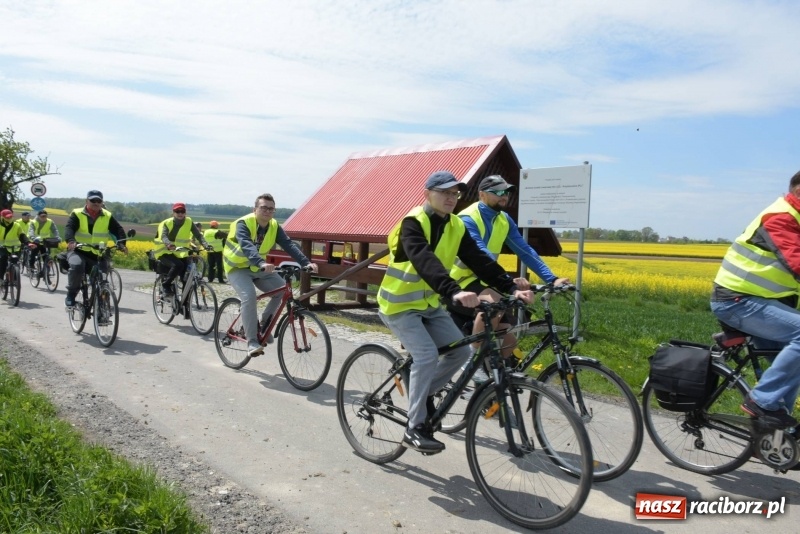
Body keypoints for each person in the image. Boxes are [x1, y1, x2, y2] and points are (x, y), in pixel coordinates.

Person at [377, 170, 533, 454]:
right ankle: (414, 428)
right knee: (426, 356)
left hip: (428, 305)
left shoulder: (455, 226)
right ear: (427, 194)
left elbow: (479, 261)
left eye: (455, 193)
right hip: (399, 305)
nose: (451, 198)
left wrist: (510, 287)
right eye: (444, 192)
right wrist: (453, 290)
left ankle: (420, 393)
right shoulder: (413, 222)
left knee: (460, 351)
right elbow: (423, 258)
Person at [711, 170, 800, 430]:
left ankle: (777, 437)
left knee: (791, 368)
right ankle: (761, 402)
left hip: (762, 305)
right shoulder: (781, 218)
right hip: (736, 301)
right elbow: (796, 261)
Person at [450, 175, 570, 365]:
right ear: (482, 194)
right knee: (494, 303)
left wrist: (551, 278)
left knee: (509, 342)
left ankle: (494, 384)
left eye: (506, 192)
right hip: (460, 280)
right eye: (497, 192)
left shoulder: (503, 219)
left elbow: (525, 250)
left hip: (487, 280)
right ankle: (470, 361)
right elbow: (481, 256)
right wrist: (508, 281)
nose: (504, 196)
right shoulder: (467, 218)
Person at [223, 194, 318, 357]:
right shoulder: (243, 223)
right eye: (263, 207)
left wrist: (305, 262)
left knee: (281, 290)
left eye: (271, 208)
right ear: (255, 209)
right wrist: (260, 262)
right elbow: (246, 245)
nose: (267, 211)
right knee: (249, 296)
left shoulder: (274, 226)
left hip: (258, 268)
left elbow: (288, 244)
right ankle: (252, 342)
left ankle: (264, 325)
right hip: (237, 267)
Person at [64, 190, 128, 308]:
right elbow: (69, 228)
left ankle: (103, 308)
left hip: (99, 254)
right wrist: (71, 240)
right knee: (77, 267)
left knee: (102, 279)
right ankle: (71, 294)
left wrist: (121, 244)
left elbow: (118, 230)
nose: (96, 203)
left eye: (99, 201)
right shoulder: (77, 213)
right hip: (78, 251)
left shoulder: (107, 215)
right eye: (93, 200)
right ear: (86, 201)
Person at [153, 203, 210, 296]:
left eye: (182, 211)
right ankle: (166, 285)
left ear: (185, 212)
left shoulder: (189, 221)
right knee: (178, 265)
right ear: (173, 212)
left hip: (180, 253)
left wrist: (206, 244)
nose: (180, 213)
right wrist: (168, 244)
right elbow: (164, 236)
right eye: (177, 211)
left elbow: (198, 235)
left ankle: (185, 307)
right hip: (165, 252)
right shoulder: (167, 223)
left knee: (187, 279)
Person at [1, 208, 30, 288]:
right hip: (2, 247)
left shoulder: (16, 225)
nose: (9, 218)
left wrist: (28, 243)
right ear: (2, 217)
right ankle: (1, 279)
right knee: (3, 261)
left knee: (15, 262)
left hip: (15, 247)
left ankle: (15, 279)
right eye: (7, 217)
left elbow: (22, 235)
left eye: (10, 217)